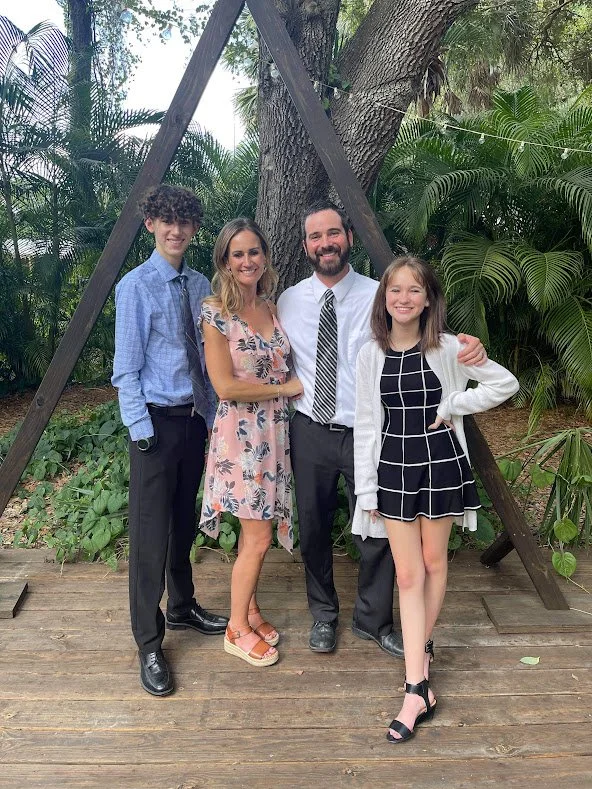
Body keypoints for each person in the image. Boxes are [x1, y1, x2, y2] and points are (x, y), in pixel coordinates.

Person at [277, 200, 487, 656]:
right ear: (305, 245)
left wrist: (470, 348)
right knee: (313, 525)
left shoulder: (382, 294)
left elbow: (425, 342)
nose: (325, 243)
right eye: (315, 236)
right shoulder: (289, 301)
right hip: (310, 427)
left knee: (378, 528)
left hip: (371, 433)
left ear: (348, 237)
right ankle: (324, 615)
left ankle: (373, 619)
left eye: (333, 233)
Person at [353, 256, 519, 742]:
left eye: (414, 290)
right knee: (407, 573)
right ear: (385, 299)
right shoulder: (370, 355)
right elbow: (367, 425)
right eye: (395, 290)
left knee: (433, 562)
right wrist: (367, 488)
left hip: (442, 461)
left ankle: (420, 654)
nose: (403, 298)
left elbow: (504, 384)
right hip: (394, 467)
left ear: (428, 299)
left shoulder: (448, 347)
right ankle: (416, 686)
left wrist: (453, 404)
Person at [112, 184, 228, 697]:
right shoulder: (135, 287)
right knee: (150, 538)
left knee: (183, 525)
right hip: (156, 425)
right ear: (151, 225)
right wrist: (142, 434)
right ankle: (148, 641)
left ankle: (181, 607)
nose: (176, 230)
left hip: (195, 420)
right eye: (167, 221)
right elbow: (126, 370)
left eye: (184, 222)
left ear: (194, 228)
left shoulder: (200, 282)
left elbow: (209, 357)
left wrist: (217, 413)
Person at [199, 218, 303, 667]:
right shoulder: (215, 312)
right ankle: (236, 628)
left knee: (252, 532)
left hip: (273, 434)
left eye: (254, 252)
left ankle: (251, 608)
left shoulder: (272, 306)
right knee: (258, 536)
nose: (247, 261)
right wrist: (283, 389)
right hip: (240, 440)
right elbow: (225, 386)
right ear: (225, 260)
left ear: (265, 257)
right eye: (237, 254)